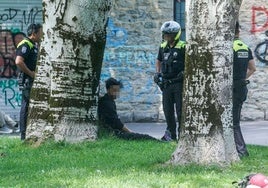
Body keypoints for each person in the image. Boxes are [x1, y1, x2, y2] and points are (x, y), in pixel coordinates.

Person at [154, 20, 185, 141]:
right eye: (165, 34)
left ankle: (182, 135)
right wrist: (158, 73)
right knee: (167, 110)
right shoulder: (163, 47)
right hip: (166, 84)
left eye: (169, 34)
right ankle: (170, 134)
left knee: (180, 111)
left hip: (178, 83)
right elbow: (159, 60)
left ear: (176, 34)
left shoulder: (183, 46)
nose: (166, 36)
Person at [15, 23, 43, 140]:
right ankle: (23, 136)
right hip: (27, 80)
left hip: (31, 80)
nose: (42, 34)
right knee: (25, 106)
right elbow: (18, 61)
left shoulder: (33, 44)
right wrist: (31, 73)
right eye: (41, 32)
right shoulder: (26, 44)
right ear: (34, 33)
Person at [233, 22, 256, 158]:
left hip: (231, 88)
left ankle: (242, 151)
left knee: (233, 122)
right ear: (239, 31)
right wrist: (242, 78)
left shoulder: (228, 47)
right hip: (241, 87)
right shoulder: (245, 47)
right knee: (235, 120)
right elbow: (253, 68)